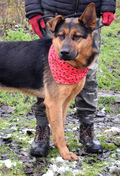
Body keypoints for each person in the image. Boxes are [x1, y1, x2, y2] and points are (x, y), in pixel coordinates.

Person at [25, 0, 116, 157]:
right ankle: (43, 131)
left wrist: (108, 5)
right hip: (54, 12)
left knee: (89, 78)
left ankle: (87, 129)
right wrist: (33, 11)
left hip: (87, 16)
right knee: (46, 79)